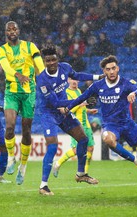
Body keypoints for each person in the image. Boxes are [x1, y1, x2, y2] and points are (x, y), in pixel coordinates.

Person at [63, 55, 137, 180]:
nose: (111, 71)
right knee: (107, 139)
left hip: (128, 124)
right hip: (111, 125)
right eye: (108, 69)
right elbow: (81, 98)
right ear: (104, 71)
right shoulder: (98, 85)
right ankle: (136, 161)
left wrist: (134, 93)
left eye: (113, 68)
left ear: (118, 69)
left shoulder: (126, 83)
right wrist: (67, 108)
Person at [36, 45, 103, 195]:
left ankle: (81, 174)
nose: (52, 63)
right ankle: (43, 186)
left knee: (83, 139)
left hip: (64, 113)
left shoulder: (65, 68)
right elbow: (55, 104)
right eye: (48, 61)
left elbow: (78, 75)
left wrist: (97, 77)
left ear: (57, 58)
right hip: (49, 115)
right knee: (53, 146)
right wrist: (81, 100)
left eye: (54, 59)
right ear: (44, 61)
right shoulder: (42, 80)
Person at [0, 21, 45, 185]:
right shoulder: (1, 50)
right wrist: (18, 75)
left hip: (29, 93)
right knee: (9, 127)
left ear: (19, 31)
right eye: (8, 29)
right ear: (5, 33)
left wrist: (45, 77)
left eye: (14, 28)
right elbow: (5, 67)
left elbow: (39, 64)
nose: (12, 31)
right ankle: (11, 157)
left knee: (26, 131)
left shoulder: (31, 47)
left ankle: (22, 167)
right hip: (11, 92)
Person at [53, 78, 99, 177]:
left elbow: (81, 107)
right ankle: (58, 163)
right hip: (76, 125)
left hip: (86, 124)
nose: (75, 82)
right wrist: (81, 103)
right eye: (72, 80)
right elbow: (69, 109)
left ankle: (85, 173)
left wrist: (89, 110)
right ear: (68, 80)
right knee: (75, 150)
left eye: (77, 80)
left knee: (90, 148)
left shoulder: (79, 91)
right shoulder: (66, 93)